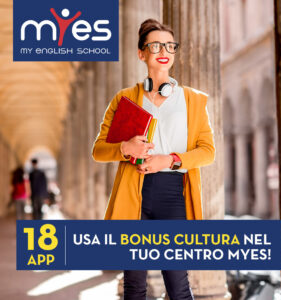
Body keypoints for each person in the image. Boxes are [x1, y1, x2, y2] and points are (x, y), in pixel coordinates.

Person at [92, 19, 215, 300]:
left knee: (178, 284)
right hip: (133, 193)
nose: (165, 50)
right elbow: (98, 150)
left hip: (174, 195)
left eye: (170, 45)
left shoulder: (193, 101)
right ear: (141, 53)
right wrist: (125, 147)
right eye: (156, 44)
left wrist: (170, 160)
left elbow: (208, 152)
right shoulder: (125, 99)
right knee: (134, 286)